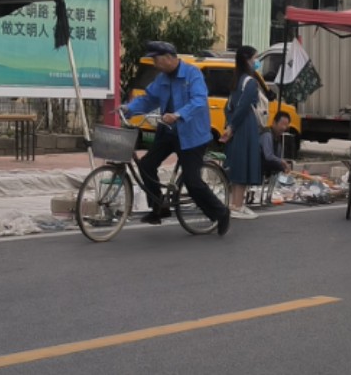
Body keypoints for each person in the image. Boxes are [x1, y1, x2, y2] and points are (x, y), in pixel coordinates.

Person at [122, 41, 230, 236]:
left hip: (192, 135)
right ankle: (159, 207)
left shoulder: (192, 74)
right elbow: (148, 99)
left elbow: (198, 100)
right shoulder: (162, 78)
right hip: (168, 132)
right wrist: (128, 108)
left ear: (170, 57)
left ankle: (221, 213)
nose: (155, 63)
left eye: (157, 59)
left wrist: (179, 114)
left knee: (192, 181)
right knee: (146, 164)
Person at [220, 45, 263, 220]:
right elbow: (244, 106)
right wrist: (232, 127)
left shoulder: (236, 80)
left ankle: (235, 203)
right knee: (244, 163)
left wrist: (229, 126)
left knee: (237, 163)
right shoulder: (251, 82)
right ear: (247, 60)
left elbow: (228, 106)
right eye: (255, 58)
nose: (257, 62)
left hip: (235, 125)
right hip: (246, 125)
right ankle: (237, 206)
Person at [260, 111, 292, 177]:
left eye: (286, 125)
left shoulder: (278, 137)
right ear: (274, 123)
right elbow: (268, 156)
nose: (284, 127)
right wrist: (282, 162)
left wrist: (284, 167)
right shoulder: (267, 134)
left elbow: (277, 157)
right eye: (282, 124)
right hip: (260, 168)